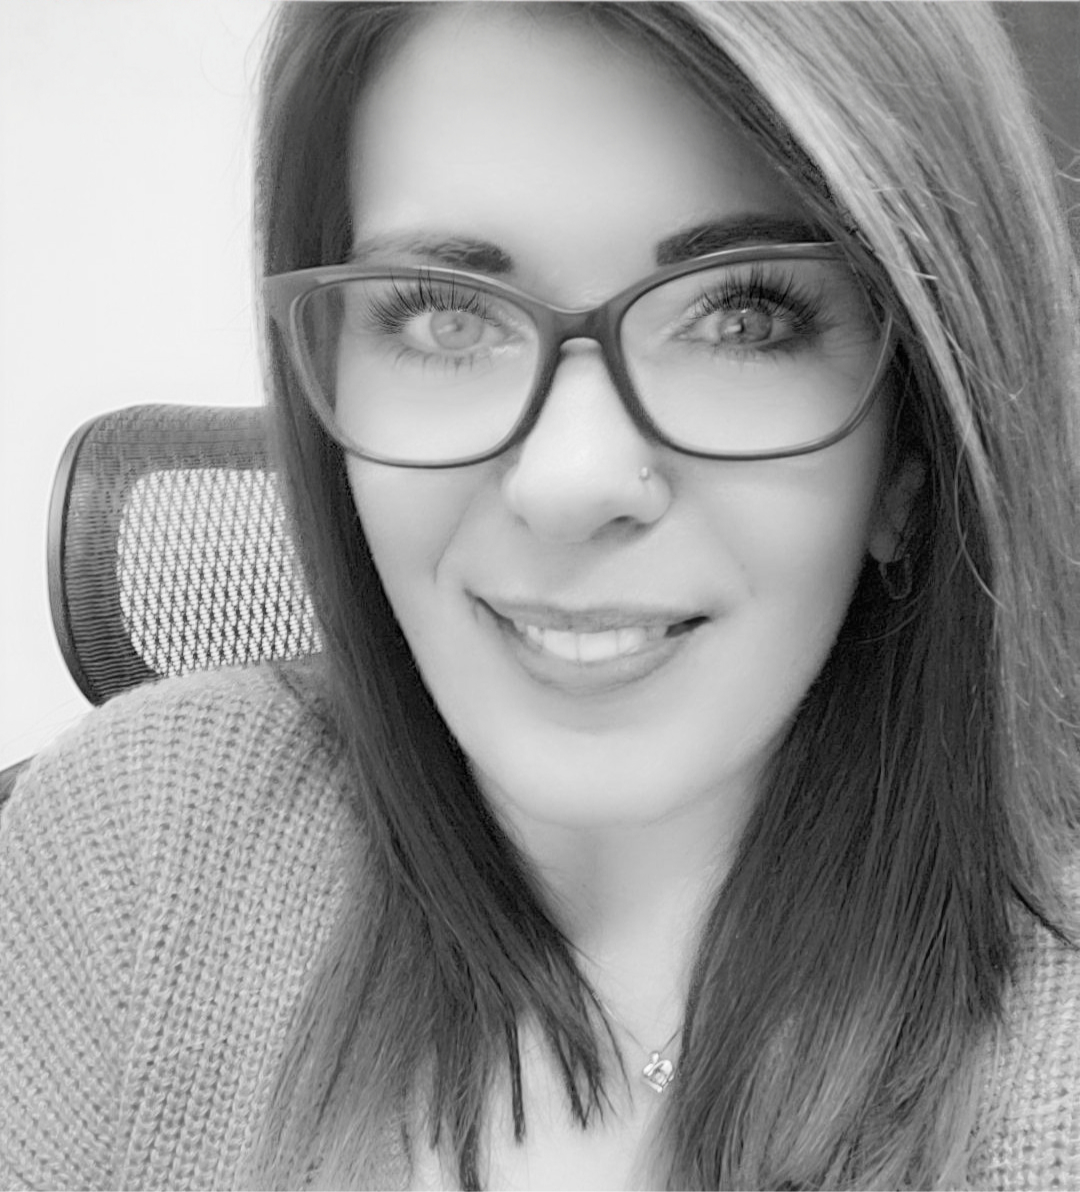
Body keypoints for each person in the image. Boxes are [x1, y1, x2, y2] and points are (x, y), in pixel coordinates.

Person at [2, 2, 1079, 1190]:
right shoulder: (136, 841)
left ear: (913, 456)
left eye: (744, 316)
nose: (571, 480)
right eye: (443, 313)